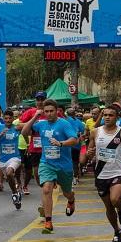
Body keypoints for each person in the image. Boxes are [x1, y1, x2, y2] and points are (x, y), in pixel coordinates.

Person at [21, 99, 78, 234]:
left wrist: (61, 143)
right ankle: (48, 221)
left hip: (64, 165)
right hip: (47, 163)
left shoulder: (64, 124)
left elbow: (74, 139)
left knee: (66, 192)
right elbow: (24, 132)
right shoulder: (41, 124)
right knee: (46, 189)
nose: (49, 114)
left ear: (57, 111)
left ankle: (71, 199)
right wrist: (35, 116)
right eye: (46, 111)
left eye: (51, 111)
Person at [87, 106, 121, 242]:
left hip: (118, 172)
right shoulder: (95, 132)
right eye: (105, 115)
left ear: (117, 117)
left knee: (115, 199)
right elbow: (89, 150)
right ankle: (117, 231)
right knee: (109, 207)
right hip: (101, 173)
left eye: (111, 115)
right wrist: (89, 154)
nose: (107, 117)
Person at [0, 110, 23, 209]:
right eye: (6, 118)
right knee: (9, 178)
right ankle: (16, 193)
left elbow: (28, 126)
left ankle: (14, 193)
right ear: (3, 118)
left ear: (13, 119)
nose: (8, 120)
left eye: (10, 118)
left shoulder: (16, 127)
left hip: (15, 157)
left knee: (9, 173)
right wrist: (1, 134)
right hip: (2, 161)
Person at [18, 91, 47, 197]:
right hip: (35, 148)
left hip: (50, 148)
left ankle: (47, 190)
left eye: (42, 99)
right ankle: (44, 189)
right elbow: (18, 125)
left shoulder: (51, 112)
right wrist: (32, 124)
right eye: (38, 99)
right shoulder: (31, 112)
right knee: (36, 174)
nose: (39, 102)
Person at [66, 108, 85, 185]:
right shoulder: (79, 122)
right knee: (75, 161)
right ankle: (75, 176)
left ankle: (71, 176)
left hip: (66, 144)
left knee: (68, 161)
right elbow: (82, 132)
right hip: (76, 145)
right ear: (74, 114)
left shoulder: (65, 120)